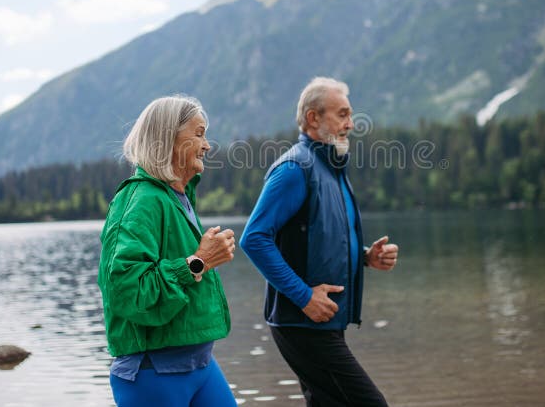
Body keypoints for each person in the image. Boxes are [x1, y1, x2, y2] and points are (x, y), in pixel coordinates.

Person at [240, 77, 399, 407]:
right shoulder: (295, 168)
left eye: (350, 115)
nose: (350, 124)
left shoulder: (332, 168)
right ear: (313, 118)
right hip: (302, 321)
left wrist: (367, 256)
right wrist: (304, 296)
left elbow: (323, 236)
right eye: (342, 114)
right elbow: (254, 238)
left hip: (322, 319)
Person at [97, 95, 237, 407]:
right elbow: (127, 291)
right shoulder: (141, 200)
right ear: (167, 140)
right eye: (199, 134)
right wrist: (199, 262)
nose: (207, 145)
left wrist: (201, 261)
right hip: (152, 373)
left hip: (199, 363)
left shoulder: (177, 197)